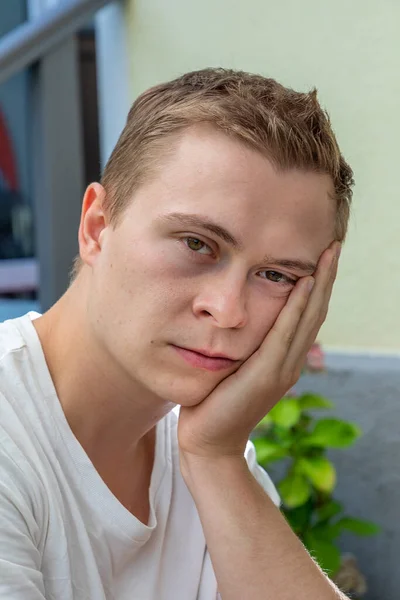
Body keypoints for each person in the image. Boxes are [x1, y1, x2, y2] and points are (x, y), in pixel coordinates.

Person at [0, 68, 354, 599]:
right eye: (196, 244)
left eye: (277, 275)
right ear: (97, 226)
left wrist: (217, 460)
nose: (229, 310)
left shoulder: (202, 444)